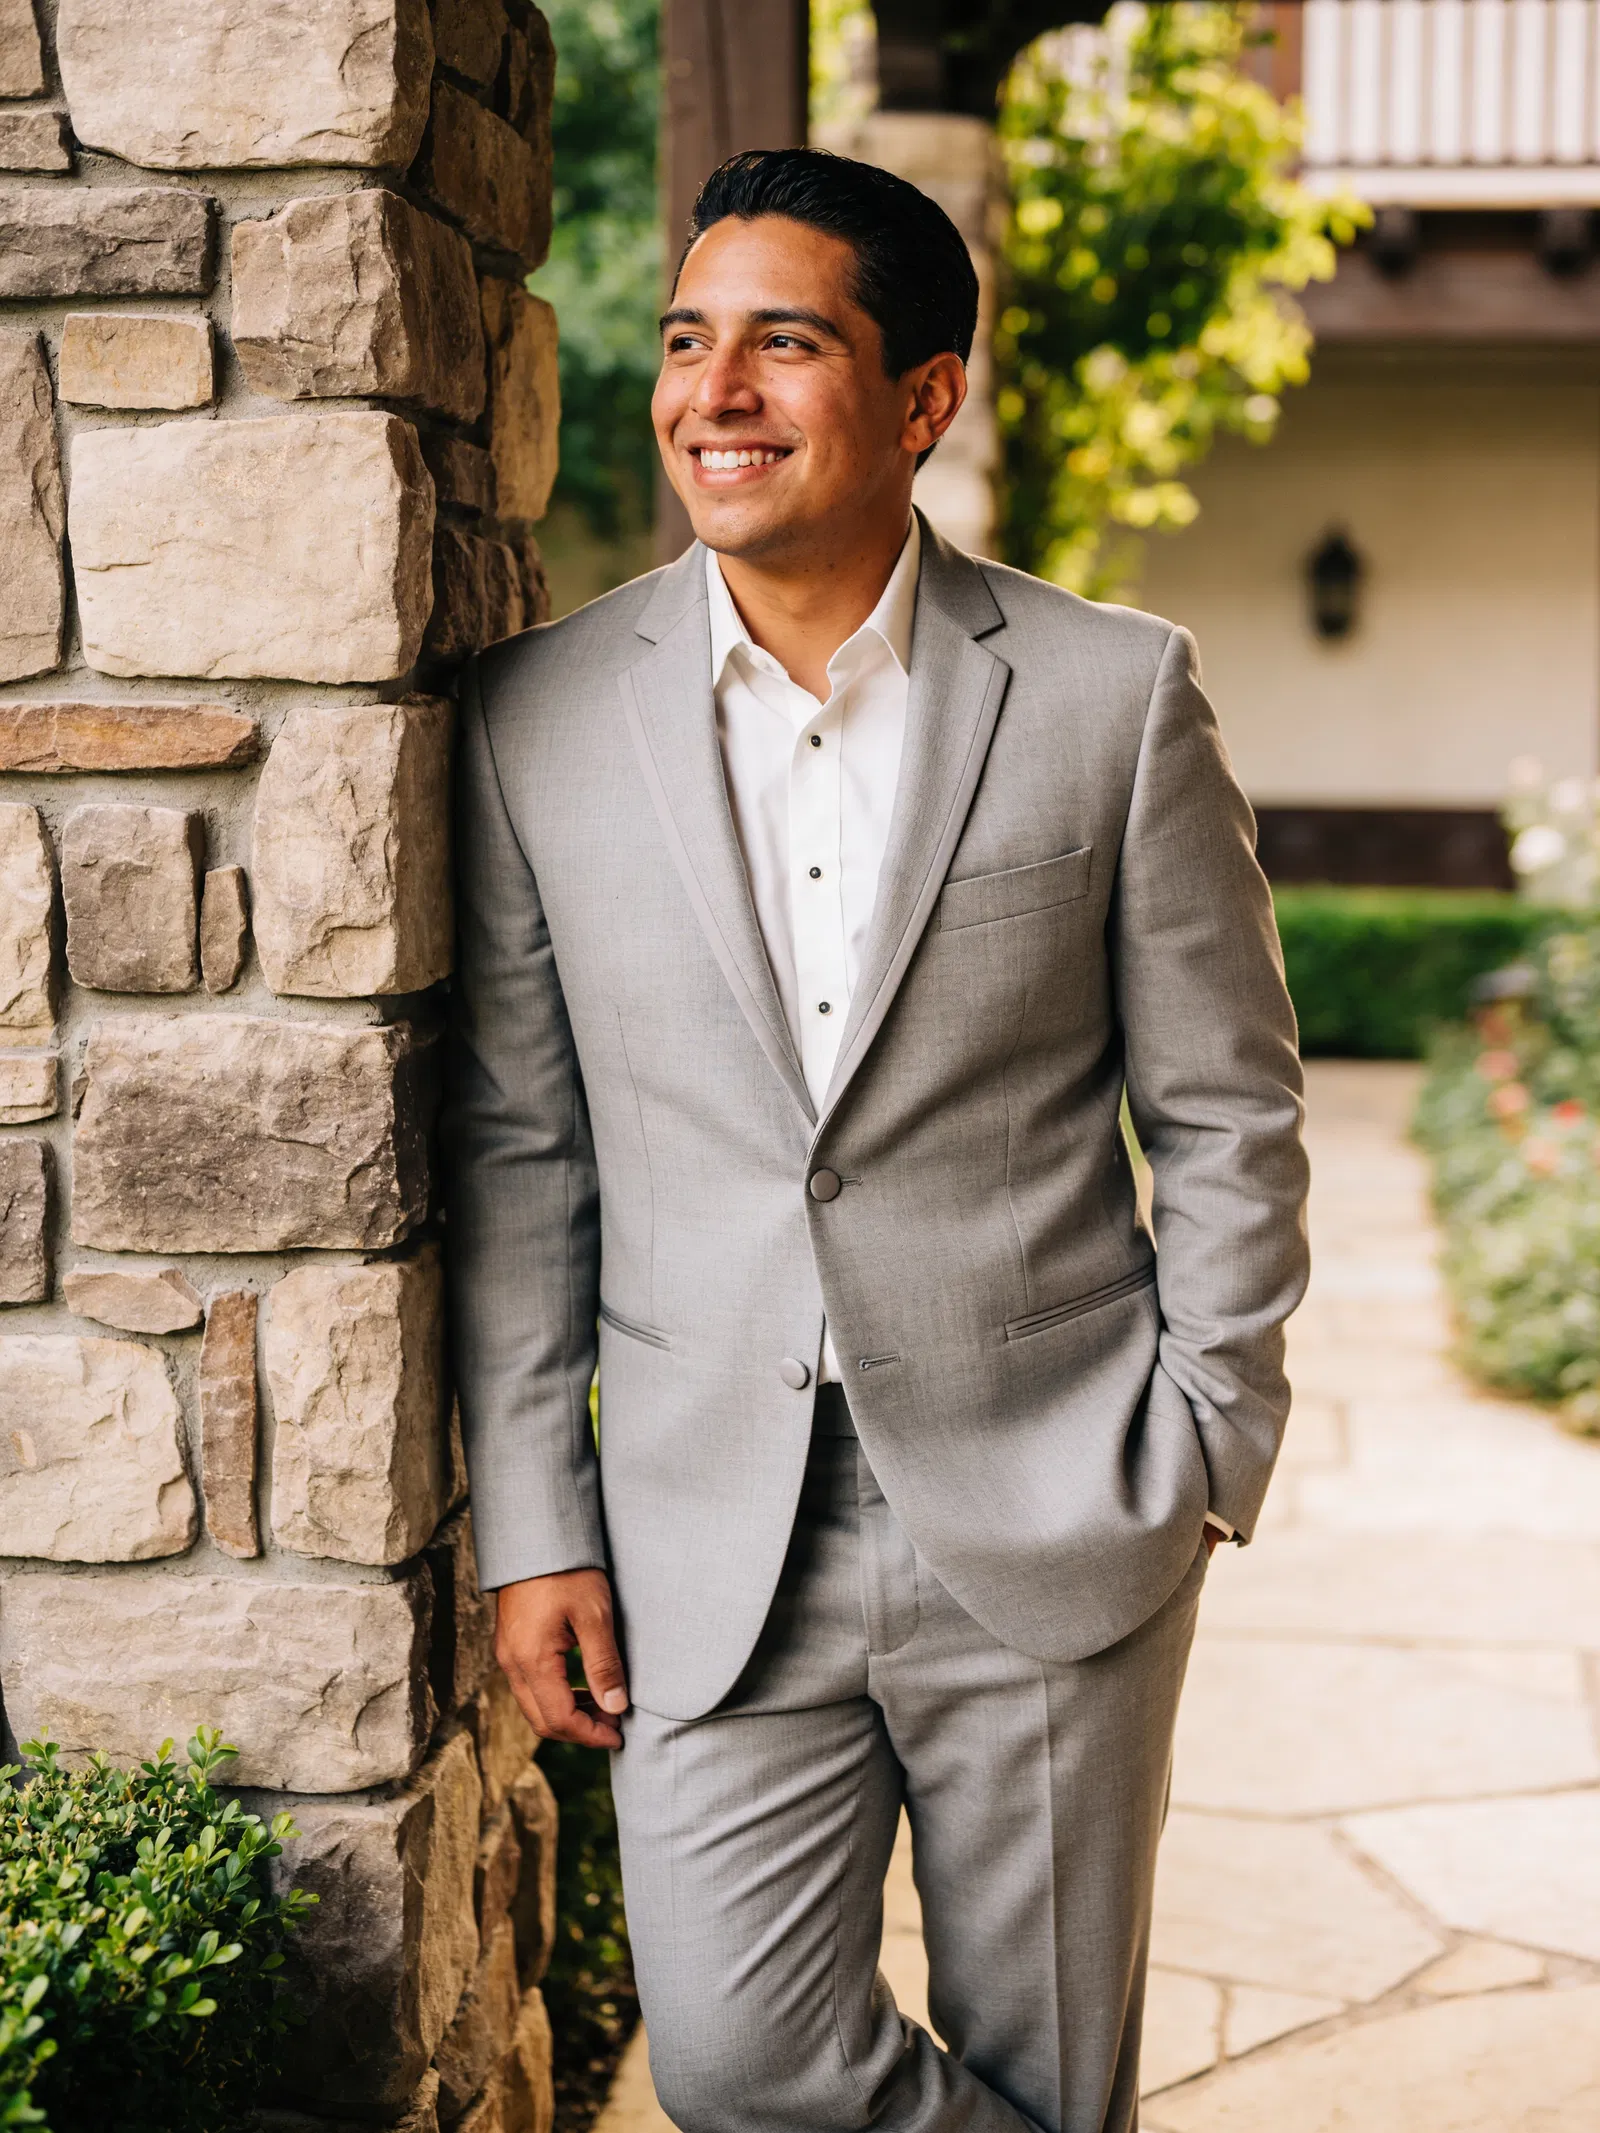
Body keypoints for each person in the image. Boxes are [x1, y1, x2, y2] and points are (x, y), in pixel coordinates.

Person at [445, 147, 1309, 2133]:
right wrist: (537, 1517)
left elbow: (1226, 1104)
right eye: (684, 340)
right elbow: (516, 1148)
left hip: (1059, 1502)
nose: (708, 392)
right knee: (741, 2060)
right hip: (698, 1530)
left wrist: (1202, 1439)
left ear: (919, 396)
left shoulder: (1109, 695)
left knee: (1048, 2067)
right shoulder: (539, 720)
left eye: (782, 341)